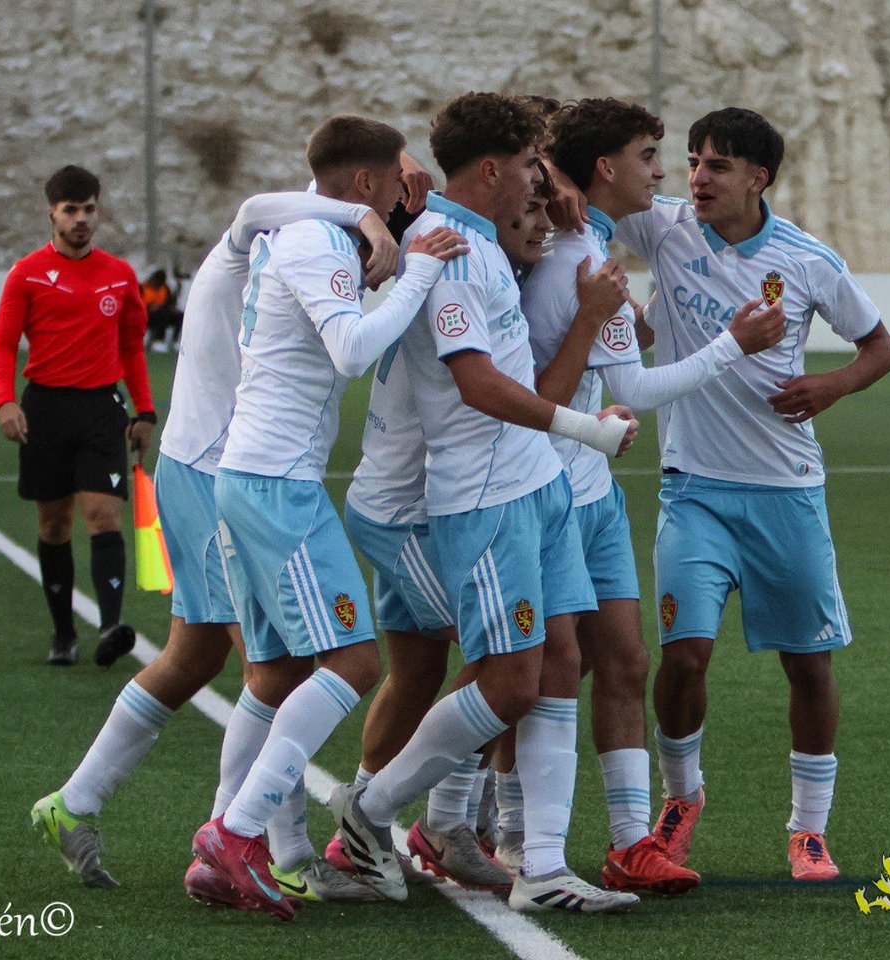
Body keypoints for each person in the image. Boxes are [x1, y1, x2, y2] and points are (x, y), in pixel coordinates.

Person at [29, 188, 400, 904]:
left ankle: (75, 802)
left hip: (203, 466)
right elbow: (262, 204)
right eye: (382, 192)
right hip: (213, 471)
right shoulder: (269, 240)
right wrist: (364, 218)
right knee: (275, 666)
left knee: (195, 655)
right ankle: (275, 849)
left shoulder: (294, 247)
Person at [328, 92, 640, 915]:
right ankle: (368, 811)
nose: (543, 182)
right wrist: (585, 427)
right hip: (486, 498)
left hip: (537, 484)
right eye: (534, 166)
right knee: (505, 684)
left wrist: (578, 428)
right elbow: (478, 384)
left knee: (561, 663)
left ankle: (540, 867)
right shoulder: (455, 252)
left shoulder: (487, 248)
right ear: (495, 169)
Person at [498, 98, 786, 893]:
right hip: (533, 484)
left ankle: (629, 842)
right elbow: (634, 386)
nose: (665, 175)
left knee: (621, 658)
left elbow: (626, 373)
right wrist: (734, 343)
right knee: (524, 670)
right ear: (605, 168)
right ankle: (488, 829)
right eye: (652, 156)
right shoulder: (562, 249)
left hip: (589, 486)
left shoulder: (587, 241)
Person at [188, 114, 468, 920]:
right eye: (392, 179)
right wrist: (416, 270)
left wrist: (388, 239)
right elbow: (350, 349)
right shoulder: (313, 242)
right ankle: (237, 835)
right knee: (355, 664)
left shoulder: (307, 228)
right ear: (365, 185)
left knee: (276, 676)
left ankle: (223, 840)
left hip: (252, 475)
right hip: (279, 485)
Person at [610, 107, 890, 880]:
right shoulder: (664, 229)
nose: (697, 177)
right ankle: (680, 800)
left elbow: (880, 346)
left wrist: (833, 384)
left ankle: (808, 831)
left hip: (786, 491)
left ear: (759, 178)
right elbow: (589, 191)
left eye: (718, 166)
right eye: (694, 161)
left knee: (808, 666)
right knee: (685, 657)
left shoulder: (806, 260)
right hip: (694, 490)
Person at [0, 164, 154, 668]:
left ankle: (110, 626)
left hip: (101, 409)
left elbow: (131, 346)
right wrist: (6, 400)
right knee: (54, 522)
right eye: (71, 210)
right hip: (45, 409)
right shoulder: (27, 273)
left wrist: (144, 409)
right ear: (52, 215)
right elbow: (2, 344)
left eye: (89, 210)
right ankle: (64, 633)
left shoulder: (120, 275)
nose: (81, 219)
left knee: (103, 515)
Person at [141, 268, 183, 351]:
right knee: (161, 314)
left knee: (179, 316)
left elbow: (169, 302)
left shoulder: (165, 288)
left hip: (163, 312)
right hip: (147, 314)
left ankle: (175, 341)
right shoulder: (143, 287)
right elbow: (138, 303)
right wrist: (150, 307)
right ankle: (158, 340)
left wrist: (172, 308)